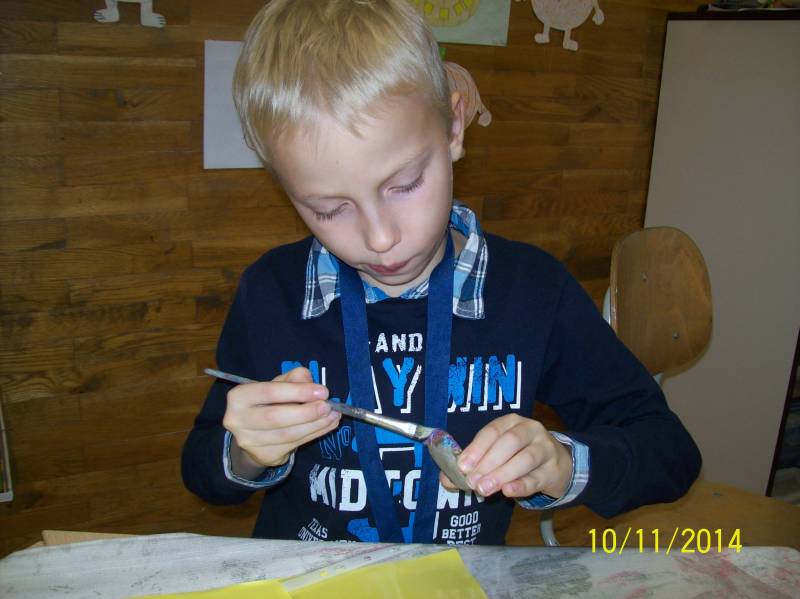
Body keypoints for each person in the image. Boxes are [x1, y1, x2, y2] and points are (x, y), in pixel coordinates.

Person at [181, 0, 701, 545]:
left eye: (404, 184)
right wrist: (245, 453)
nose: (380, 238)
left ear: (454, 126)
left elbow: (669, 452)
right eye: (328, 209)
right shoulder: (270, 292)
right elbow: (203, 472)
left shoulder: (532, 291)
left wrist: (561, 463)